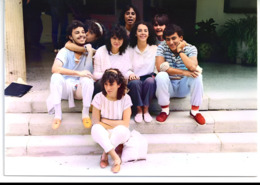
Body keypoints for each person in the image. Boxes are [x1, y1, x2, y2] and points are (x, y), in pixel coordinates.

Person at [46, 20, 95, 130]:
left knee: (88, 79)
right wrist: (78, 73)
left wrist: (90, 52)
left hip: (79, 90)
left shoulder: (88, 50)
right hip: (65, 88)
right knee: (55, 76)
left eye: (83, 32)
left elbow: (89, 71)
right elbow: (55, 68)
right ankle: (58, 116)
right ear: (70, 37)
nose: (81, 35)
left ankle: (85, 114)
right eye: (77, 33)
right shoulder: (65, 51)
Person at [155, 24, 205, 125]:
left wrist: (180, 51)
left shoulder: (191, 48)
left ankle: (195, 111)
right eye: (168, 39)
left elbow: (192, 67)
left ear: (181, 38)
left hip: (183, 86)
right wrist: (183, 72)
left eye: (174, 38)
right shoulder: (162, 47)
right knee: (161, 75)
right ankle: (165, 110)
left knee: (197, 75)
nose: (171, 42)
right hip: (169, 86)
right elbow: (160, 67)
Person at [91, 68, 132, 173]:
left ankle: (105, 154)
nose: (108, 88)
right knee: (95, 129)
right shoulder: (98, 97)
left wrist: (105, 120)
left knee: (122, 130)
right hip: (103, 130)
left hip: (118, 131)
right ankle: (116, 158)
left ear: (118, 84)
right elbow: (96, 121)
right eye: (105, 84)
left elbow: (125, 123)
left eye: (111, 84)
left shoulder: (126, 98)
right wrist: (113, 124)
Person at [127, 21, 157, 123]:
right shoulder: (130, 49)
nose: (142, 33)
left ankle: (146, 110)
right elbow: (126, 67)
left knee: (150, 82)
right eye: (139, 31)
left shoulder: (154, 49)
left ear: (149, 33)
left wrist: (155, 75)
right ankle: (139, 110)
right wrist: (130, 74)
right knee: (135, 83)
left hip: (149, 77)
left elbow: (157, 66)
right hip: (135, 78)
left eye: (145, 31)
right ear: (135, 33)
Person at [93, 24, 132, 96]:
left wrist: (131, 74)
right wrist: (110, 74)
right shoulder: (101, 51)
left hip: (120, 85)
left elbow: (126, 72)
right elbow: (95, 75)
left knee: (133, 83)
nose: (117, 41)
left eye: (120, 39)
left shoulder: (126, 52)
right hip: (104, 85)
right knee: (99, 84)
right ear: (109, 38)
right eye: (114, 38)